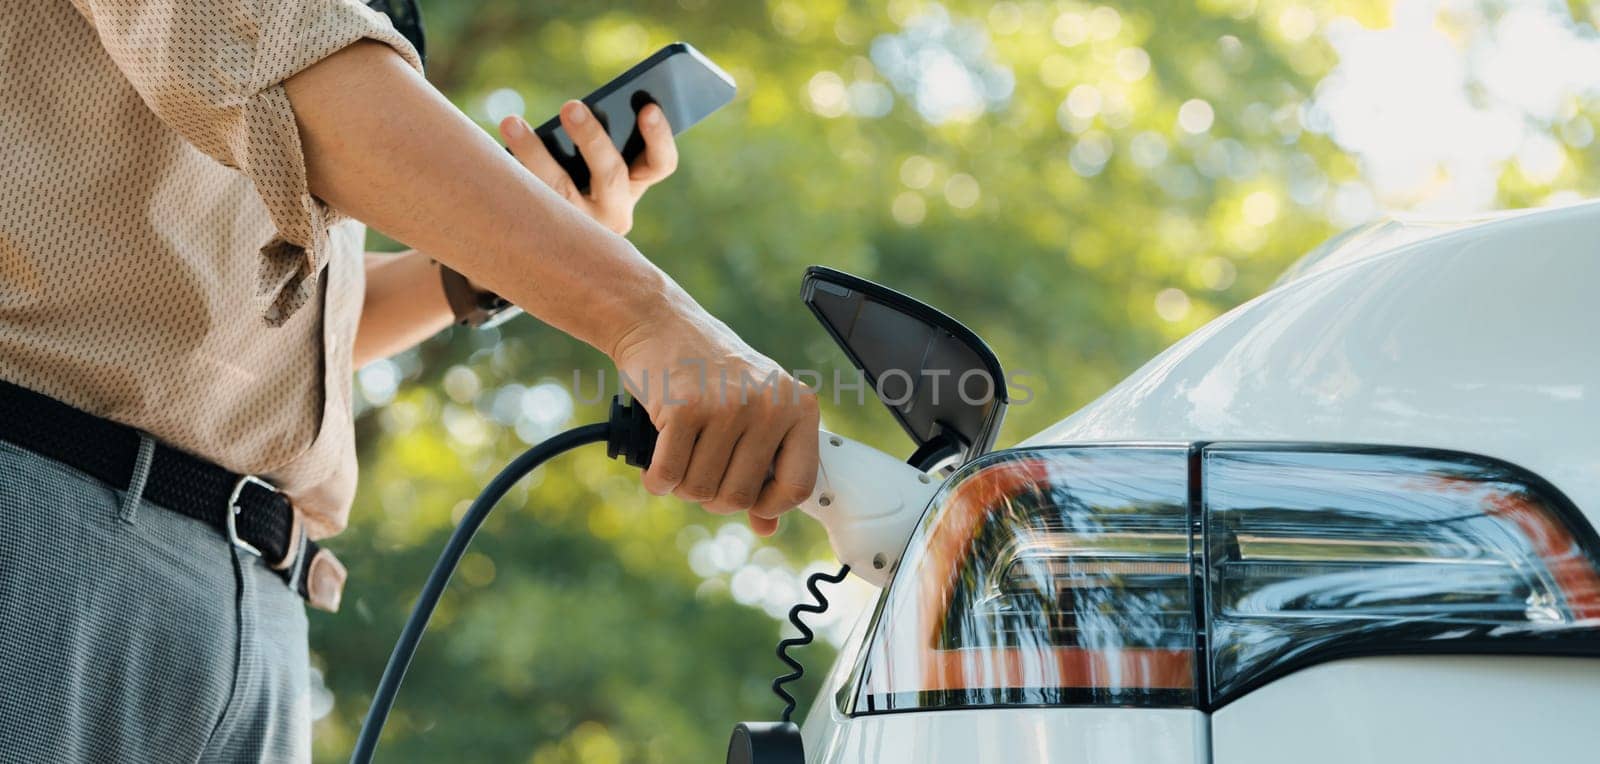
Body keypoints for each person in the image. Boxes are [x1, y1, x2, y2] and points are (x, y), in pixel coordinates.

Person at [0, 2, 819, 761]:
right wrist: (648, 315)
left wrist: (483, 266)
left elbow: (268, 339)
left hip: (255, 599)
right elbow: (291, 63)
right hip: (49, 523)